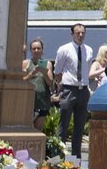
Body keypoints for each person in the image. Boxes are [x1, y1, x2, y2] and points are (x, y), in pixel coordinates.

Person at [53, 24, 94, 158]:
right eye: (78, 33)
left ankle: (76, 158)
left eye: (83, 33)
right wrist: (61, 88)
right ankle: (59, 156)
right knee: (63, 124)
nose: (80, 35)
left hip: (83, 90)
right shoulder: (64, 49)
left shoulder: (89, 50)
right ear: (72, 34)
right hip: (69, 89)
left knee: (80, 126)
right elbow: (57, 71)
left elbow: (87, 70)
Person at [23, 38, 54, 131]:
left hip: (42, 102)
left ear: (42, 50)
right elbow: (21, 81)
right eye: (34, 49)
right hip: (28, 101)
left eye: (38, 48)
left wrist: (45, 73)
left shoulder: (48, 64)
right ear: (31, 51)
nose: (36, 51)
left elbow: (50, 83)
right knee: (27, 129)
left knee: (38, 130)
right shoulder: (25, 63)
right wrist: (31, 73)